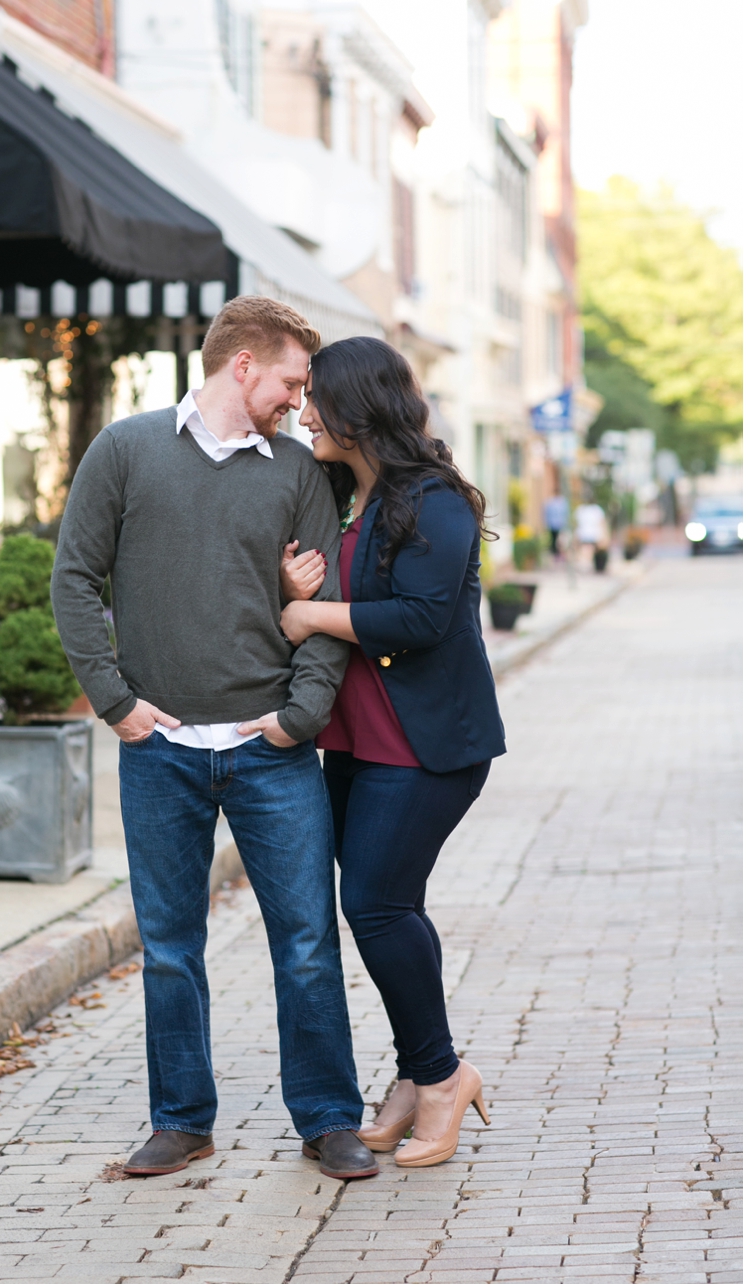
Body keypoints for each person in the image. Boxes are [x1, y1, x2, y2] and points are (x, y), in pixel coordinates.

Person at [51, 297, 377, 1182]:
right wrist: (116, 702)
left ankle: (327, 1118)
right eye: (290, 381)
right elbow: (74, 579)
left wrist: (300, 716)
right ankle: (182, 1119)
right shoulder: (126, 448)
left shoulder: (298, 471)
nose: (298, 401)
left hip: (272, 750)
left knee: (307, 939)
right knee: (167, 945)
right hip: (159, 749)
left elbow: (320, 611)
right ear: (242, 365)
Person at [279, 337, 506, 1169]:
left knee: (375, 903)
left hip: (427, 745)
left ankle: (442, 1077)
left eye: (315, 398)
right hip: (355, 743)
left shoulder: (433, 497)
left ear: (355, 404)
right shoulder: (344, 494)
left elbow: (422, 617)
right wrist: (301, 595)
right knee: (388, 903)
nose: (304, 412)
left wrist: (313, 616)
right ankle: (421, 1074)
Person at [543, 491, 569, 555]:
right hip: (558, 524)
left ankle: (557, 552)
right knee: (557, 540)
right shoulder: (561, 502)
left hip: (554, 524)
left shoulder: (551, 502)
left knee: (556, 539)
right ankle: (557, 553)